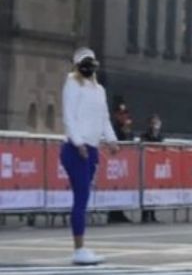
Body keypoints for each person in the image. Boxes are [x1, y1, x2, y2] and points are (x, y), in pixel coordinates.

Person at [62, 47, 118, 265]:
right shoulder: (72, 84)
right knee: (81, 197)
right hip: (76, 148)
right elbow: (69, 117)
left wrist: (111, 139)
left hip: (92, 148)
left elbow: (104, 118)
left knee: (83, 198)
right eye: (84, 62)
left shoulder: (99, 90)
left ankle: (81, 246)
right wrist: (77, 141)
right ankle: (79, 248)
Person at [107, 103, 133, 224]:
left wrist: (127, 132)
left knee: (122, 186)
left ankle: (119, 211)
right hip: (114, 160)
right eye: (121, 114)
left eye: (125, 114)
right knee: (114, 185)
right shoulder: (113, 127)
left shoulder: (126, 127)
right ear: (116, 115)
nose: (124, 117)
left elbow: (130, 141)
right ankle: (113, 213)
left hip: (124, 160)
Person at [140, 115, 164, 223]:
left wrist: (156, 133)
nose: (155, 125)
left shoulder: (160, 136)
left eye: (157, 122)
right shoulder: (144, 135)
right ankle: (144, 215)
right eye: (153, 123)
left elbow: (160, 146)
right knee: (145, 190)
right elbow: (146, 145)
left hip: (155, 166)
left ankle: (153, 214)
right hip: (146, 166)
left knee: (154, 191)